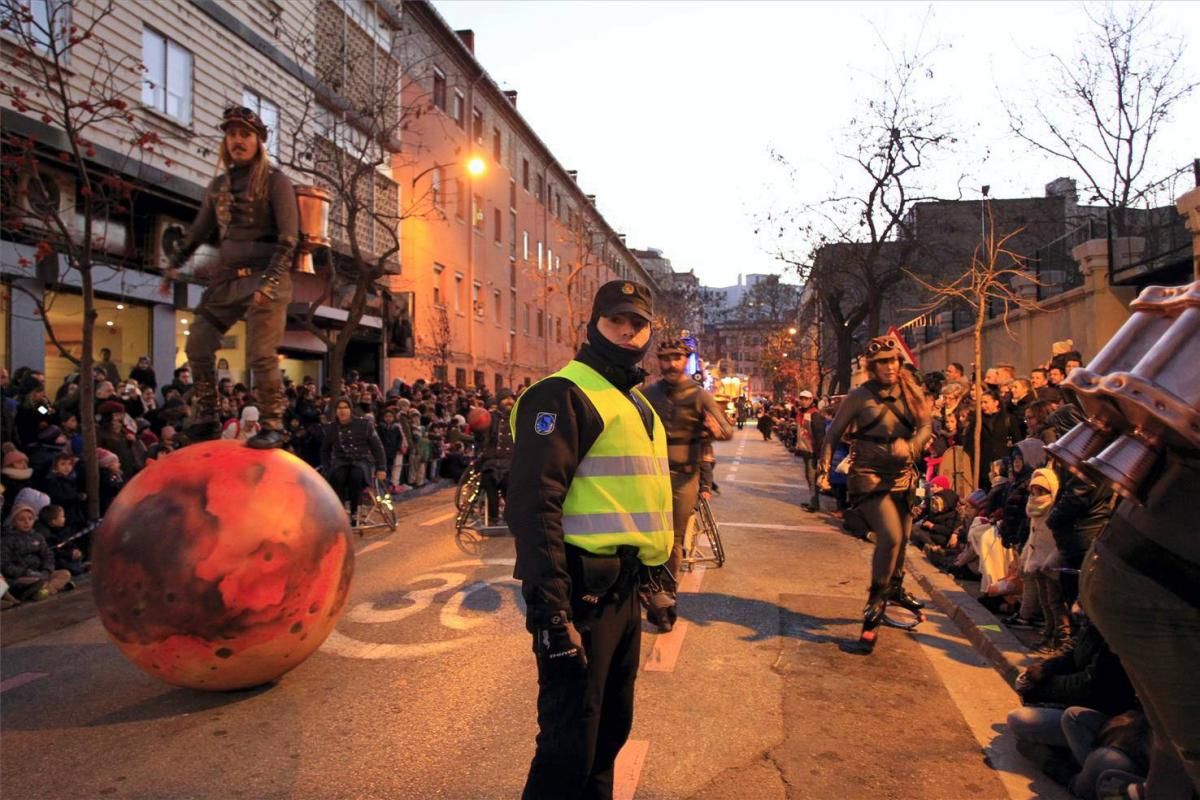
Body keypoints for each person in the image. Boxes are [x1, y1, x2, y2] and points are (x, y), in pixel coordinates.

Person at [504, 280, 673, 799]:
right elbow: (534, 509)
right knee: (568, 745)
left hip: (623, 594)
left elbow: (645, 504)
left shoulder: (637, 404)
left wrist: (658, 581)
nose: (628, 330)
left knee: (608, 736)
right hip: (579, 593)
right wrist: (552, 615)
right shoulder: (561, 395)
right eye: (616, 319)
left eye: (638, 323)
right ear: (593, 323)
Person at [162, 105, 298, 449]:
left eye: (245, 134)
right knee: (198, 342)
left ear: (258, 141)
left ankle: (273, 423)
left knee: (260, 355)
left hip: (266, 275)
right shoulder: (218, 185)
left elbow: (289, 239)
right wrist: (175, 263)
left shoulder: (275, 181)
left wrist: (269, 283)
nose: (237, 141)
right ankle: (207, 414)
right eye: (232, 134)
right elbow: (197, 231)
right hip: (226, 281)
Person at [817, 335, 932, 653]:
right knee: (891, 537)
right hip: (867, 478)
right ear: (871, 366)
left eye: (893, 360)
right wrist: (824, 468)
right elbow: (833, 433)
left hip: (903, 478)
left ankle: (894, 587)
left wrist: (910, 445)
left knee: (903, 540)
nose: (889, 367)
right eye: (882, 362)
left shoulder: (912, 392)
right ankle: (872, 613)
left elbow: (925, 427)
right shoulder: (858, 396)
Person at [642, 337, 733, 630]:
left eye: (677, 358)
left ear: (686, 360)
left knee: (674, 539)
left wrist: (713, 428)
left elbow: (727, 431)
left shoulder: (699, 396)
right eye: (665, 358)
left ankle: (668, 595)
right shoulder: (647, 393)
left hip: (684, 477)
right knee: (646, 537)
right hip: (650, 475)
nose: (670, 364)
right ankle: (648, 590)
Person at [320, 397, 387, 525]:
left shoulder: (364, 425)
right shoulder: (331, 428)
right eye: (339, 408)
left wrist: (381, 468)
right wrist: (327, 468)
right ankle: (338, 514)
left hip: (361, 461)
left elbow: (377, 447)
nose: (342, 411)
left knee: (355, 477)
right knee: (337, 477)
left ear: (350, 410)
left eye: (345, 407)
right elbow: (324, 450)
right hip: (341, 462)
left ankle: (355, 514)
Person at [479, 387, 516, 524]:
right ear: (499, 400)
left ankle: (511, 516)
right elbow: (481, 437)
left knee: (510, 486)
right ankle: (493, 517)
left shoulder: (517, 418)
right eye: (506, 398)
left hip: (510, 462)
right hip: (492, 461)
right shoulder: (490, 418)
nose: (509, 401)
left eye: (512, 398)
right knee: (489, 482)